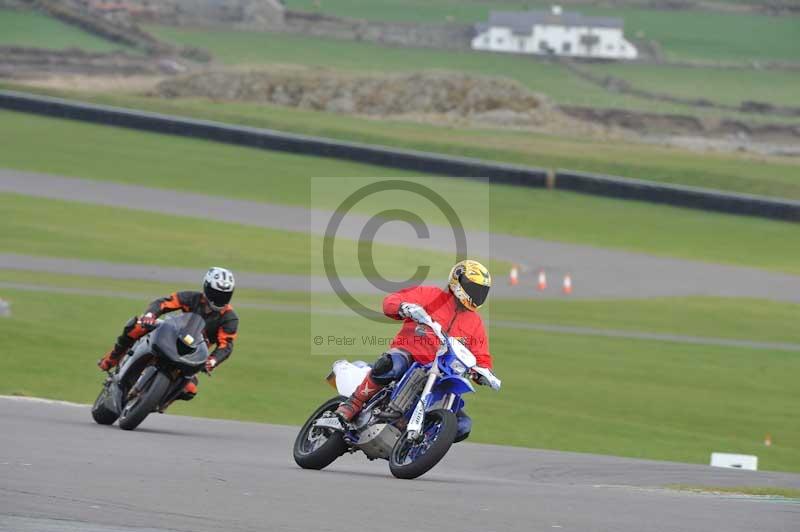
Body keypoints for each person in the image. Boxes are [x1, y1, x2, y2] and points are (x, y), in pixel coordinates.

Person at [335, 259, 496, 442]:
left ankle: (417, 444)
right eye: (474, 288)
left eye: (482, 291)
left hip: (443, 373)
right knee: (391, 364)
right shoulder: (430, 295)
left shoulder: (475, 323)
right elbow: (391, 301)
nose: (478, 294)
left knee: (462, 426)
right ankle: (353, 403)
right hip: (411, 354)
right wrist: (404, 307)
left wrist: (484, 372)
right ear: (457, 281)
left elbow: (481, 356)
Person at [97, 267, 239, 400]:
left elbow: (226, 345)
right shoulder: (191, 297)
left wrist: (213, 361)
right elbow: (164, 303)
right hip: (171, 335)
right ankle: (112, 358)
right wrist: (150, 315)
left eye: (225, 295)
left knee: (190, 389)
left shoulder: (229, 318)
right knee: (137, 326)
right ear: (206, 287)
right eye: (216, 293)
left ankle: (158, 402)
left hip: (193, 355)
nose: (220, 298)